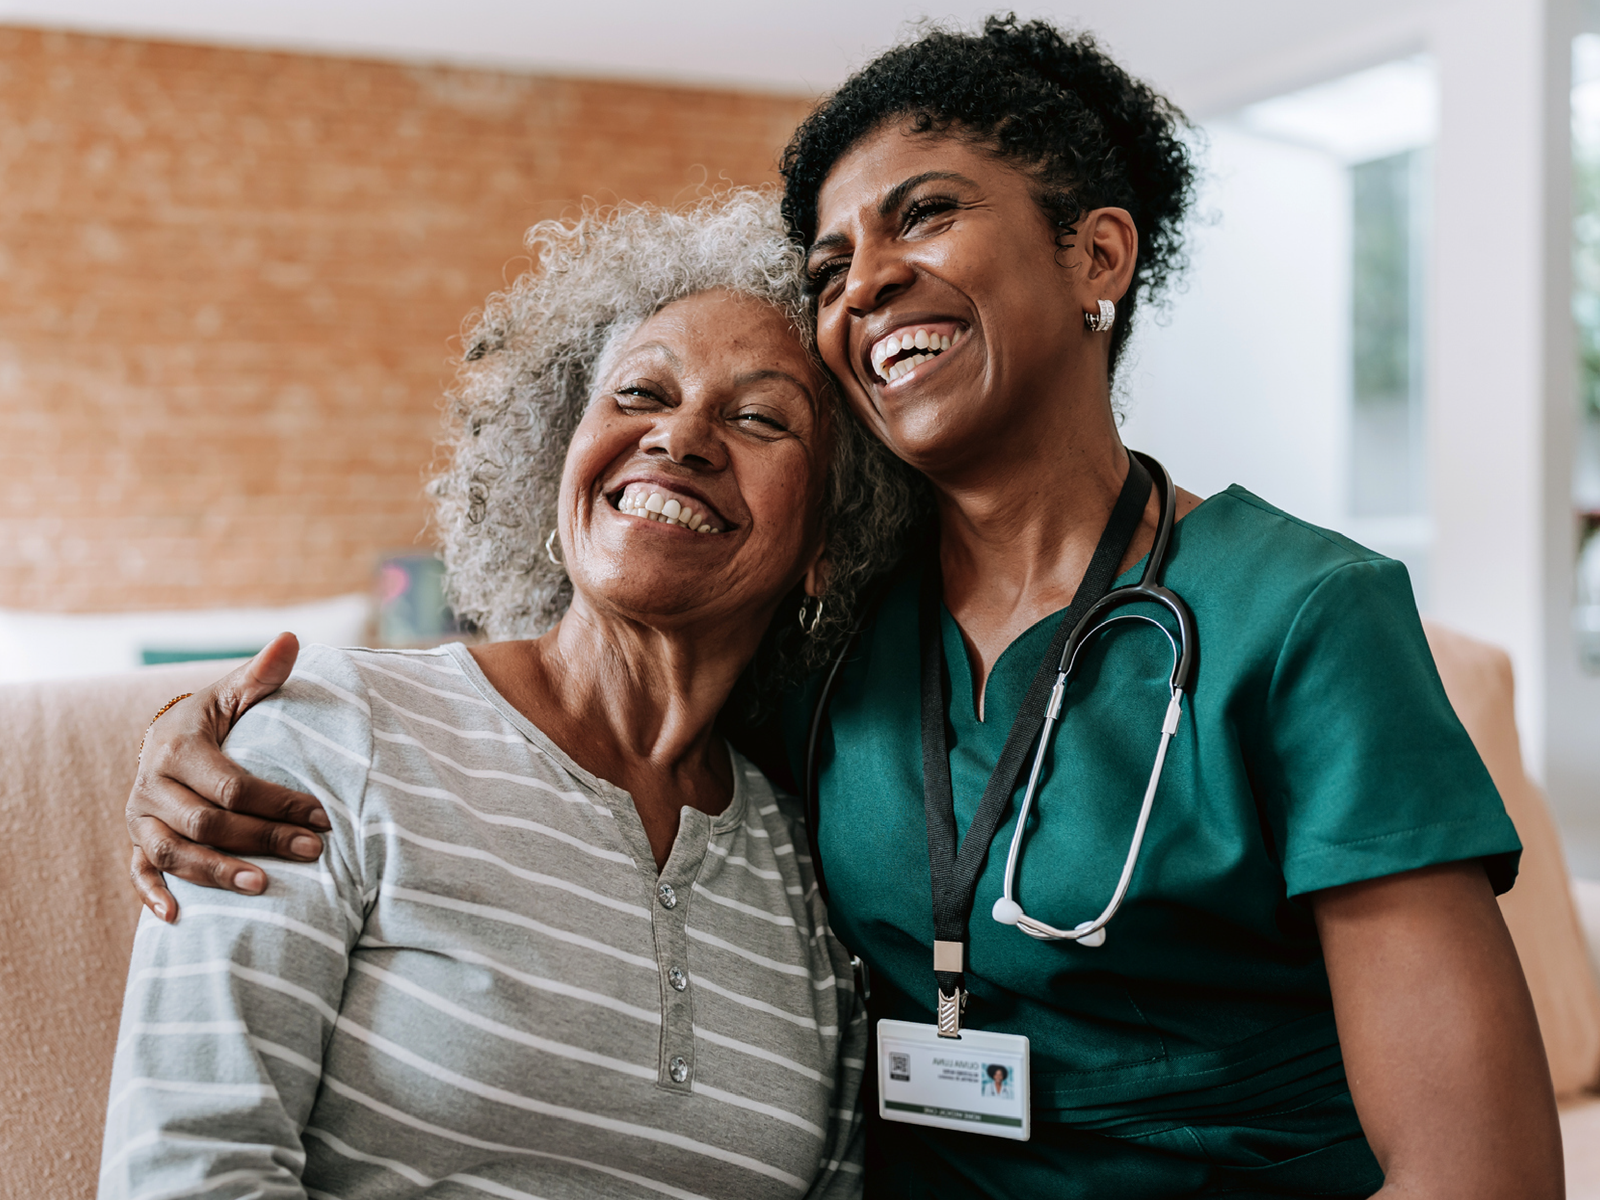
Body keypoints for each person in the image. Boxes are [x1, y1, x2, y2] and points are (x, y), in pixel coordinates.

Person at [122, 17, 1563, 1199]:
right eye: (829, 264)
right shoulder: (826, 649)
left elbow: (1478, 1167)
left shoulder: (1307, 616)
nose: (867, 280)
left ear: (1097, 257)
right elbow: (578, 709)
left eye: (923, 215)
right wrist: (185, 743)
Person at [99, 191, 921, 1200]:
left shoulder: (807, 867)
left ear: (830, 546)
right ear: (557, 464)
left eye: (756, 418)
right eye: (637, 396)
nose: (682, 438)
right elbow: (189, 1166)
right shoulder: (335, 738)